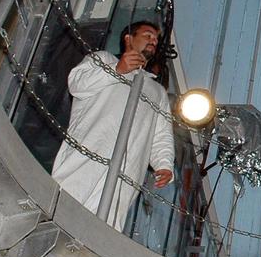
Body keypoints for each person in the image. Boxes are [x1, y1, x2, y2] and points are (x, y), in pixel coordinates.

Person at [52, 21, 175, 231]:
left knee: (104, 227)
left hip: (126, 171)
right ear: (128, 38)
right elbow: (77, 84)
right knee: (64, 207)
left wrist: (164, 164)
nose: (153, 41)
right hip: (87, 156)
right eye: (148, 35)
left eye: (156, 39)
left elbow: (161, 133)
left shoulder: (157, 91)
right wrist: (116, 70)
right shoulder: (103, 59)